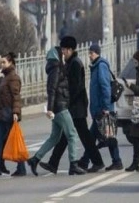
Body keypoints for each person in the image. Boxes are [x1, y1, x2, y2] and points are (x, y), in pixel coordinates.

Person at [40, 36, 105, 174]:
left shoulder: (75, 63)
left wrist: (67, 101)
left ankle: (97, 162)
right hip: (74, 105)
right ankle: (54, 163)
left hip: (77, 106)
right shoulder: (70, 62)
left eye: (64, 49)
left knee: (83, 136)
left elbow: (76, 87)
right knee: (67, 134)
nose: (62, 52)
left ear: (70, 49)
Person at [26, 47, 87, 176]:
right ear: (58, 56)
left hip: (58, 106)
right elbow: (52, 89)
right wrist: (50, 109)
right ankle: (73, 164)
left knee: (54, 137)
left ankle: (35, 159)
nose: (64, 55)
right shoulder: (56, 69)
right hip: (60, 107)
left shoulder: (56, 68)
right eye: (61, 54)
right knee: (71, 134)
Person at [78, 44, 123, 171]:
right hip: (99, 109)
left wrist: (106, 107)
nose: (90, 55)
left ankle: (86, 160)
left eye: (92, 53)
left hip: (103, 109)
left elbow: (105, 87)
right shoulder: (96, 66)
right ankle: (113, 161)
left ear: (97, 53)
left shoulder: (101, 66)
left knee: (99, 136)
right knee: (102, 136)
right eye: (89, 53)